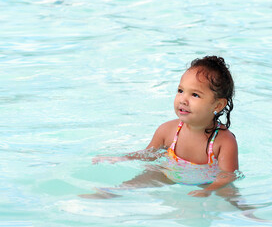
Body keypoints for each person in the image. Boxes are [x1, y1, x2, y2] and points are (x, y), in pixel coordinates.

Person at [88, 55, 239, 198]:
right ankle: (107, 194)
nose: (183, 100)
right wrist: (122, 158)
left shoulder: (224, 142)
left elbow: (227, 176)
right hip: (169, 174)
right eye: (180, 91)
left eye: (195, 95)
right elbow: (148, 154)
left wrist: (208, 191)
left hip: (207, 182)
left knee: (231, 197)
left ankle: (249, 215)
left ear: (218, 105)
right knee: (134, 183)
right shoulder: (168, 131)